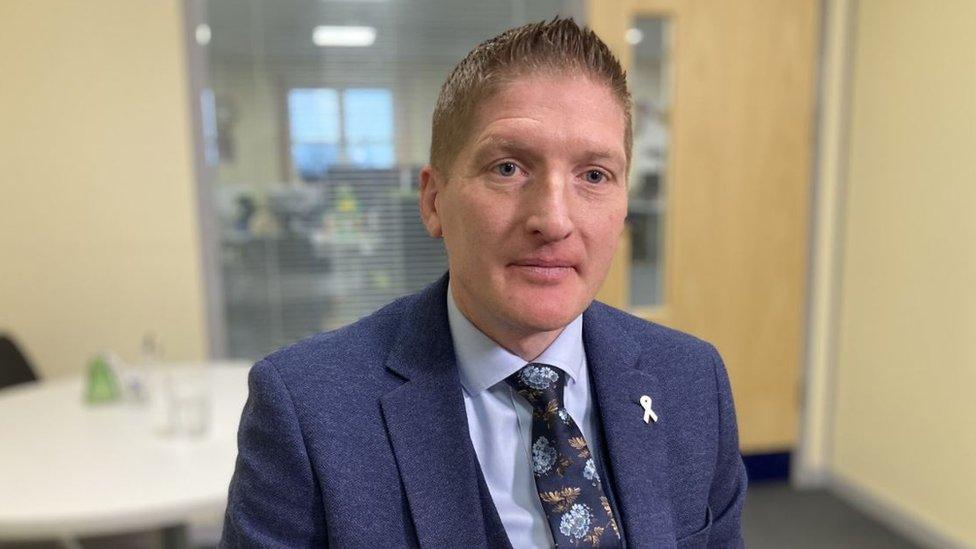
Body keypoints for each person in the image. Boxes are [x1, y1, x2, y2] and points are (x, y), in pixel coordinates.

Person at [221, 18, 746, 548]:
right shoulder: (308, 413)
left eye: (593, 175)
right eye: (509, 168)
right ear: (433, 202)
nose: (554, 220)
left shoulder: (692, 383)